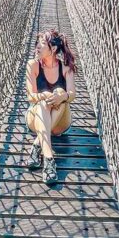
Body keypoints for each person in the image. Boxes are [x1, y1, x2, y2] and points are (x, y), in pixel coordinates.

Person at [24, 29, 77, 185]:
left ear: (53, 49)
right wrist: (45, 95)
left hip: (60, 123)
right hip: (36, 118)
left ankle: (37, 144)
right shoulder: (32, 65)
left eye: (41, 44)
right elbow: (30, 96)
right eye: (37, 44)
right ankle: (48, 159)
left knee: (61, 93)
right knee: (43, 102)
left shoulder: (66, 68)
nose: (37, 48)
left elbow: (72, 94)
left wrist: (63, 96)